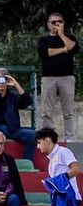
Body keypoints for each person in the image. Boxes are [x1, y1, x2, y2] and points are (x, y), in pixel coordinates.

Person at [39, 13, 77, 142]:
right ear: (48, 25)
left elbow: (72, 47)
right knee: (46, 111)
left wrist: (61, 34)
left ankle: (70, 138)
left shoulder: (70, 37)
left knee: (68, 111)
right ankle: (48, 137)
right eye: (53, 22)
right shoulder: (44, 40)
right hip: (49, 78)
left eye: (59, 22)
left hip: (67, 77)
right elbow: (45, 53)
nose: (56, 24)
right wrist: (64, 50)